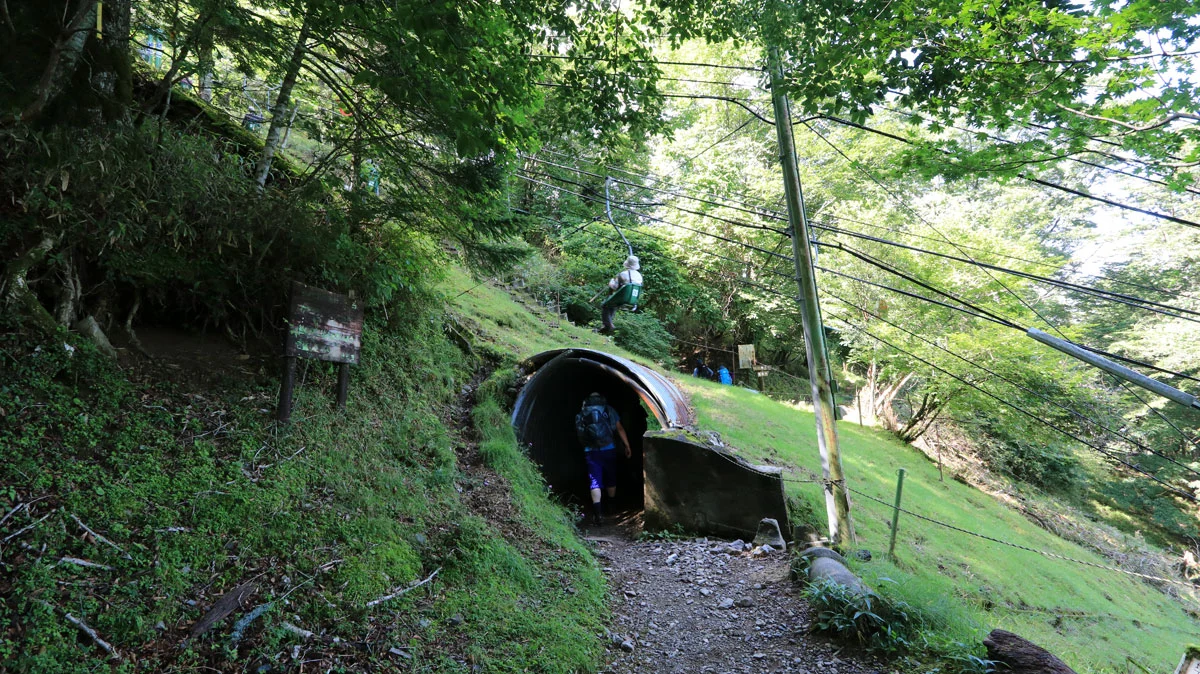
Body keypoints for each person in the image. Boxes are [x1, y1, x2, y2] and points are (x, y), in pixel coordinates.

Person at [575, 392, 631, 526]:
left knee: (595, 481)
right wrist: (627, 445)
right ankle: (611, 505)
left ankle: (598, 513)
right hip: (609, 449)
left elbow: (580, 433)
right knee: (610, 477)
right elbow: (620, 428)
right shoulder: (608, 409)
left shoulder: (582, 412)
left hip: (591, 451)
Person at [601, 255, 643, 334]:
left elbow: (614, 287)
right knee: (612, 304)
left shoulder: (623, 274)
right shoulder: (639, 276)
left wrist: (611, 282)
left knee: (605, 305)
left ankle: (608, 325)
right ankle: (607, 325)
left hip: (622, 297)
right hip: (632, 299)